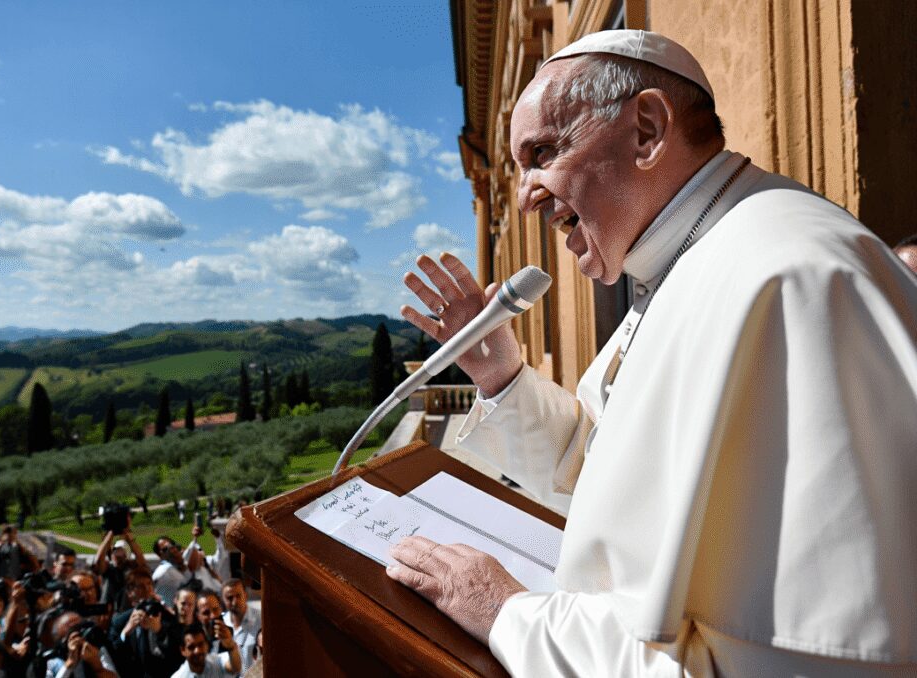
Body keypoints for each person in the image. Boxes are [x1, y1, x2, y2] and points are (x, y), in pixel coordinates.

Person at [387, 29, 917, 676]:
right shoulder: (685, 263)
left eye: (543, 153)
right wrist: (502, 375)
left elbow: (792, 664)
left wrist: (510, 615)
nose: (525, 196)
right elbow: (609, 469)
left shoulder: (788, 282)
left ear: (646, 130)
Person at [170, 623, 240, 678]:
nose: (197, 651)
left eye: (200, 645)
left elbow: (235, 668)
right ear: (183, 650)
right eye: (191, 647)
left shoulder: (219, 660)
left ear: (207, 645)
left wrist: (231, 647)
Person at [218, 580, 257, 676]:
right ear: (223, 601)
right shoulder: (221, 624)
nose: (235, 602)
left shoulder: (262, 619)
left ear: (246, 595)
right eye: (230, 598)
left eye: (238, 596)